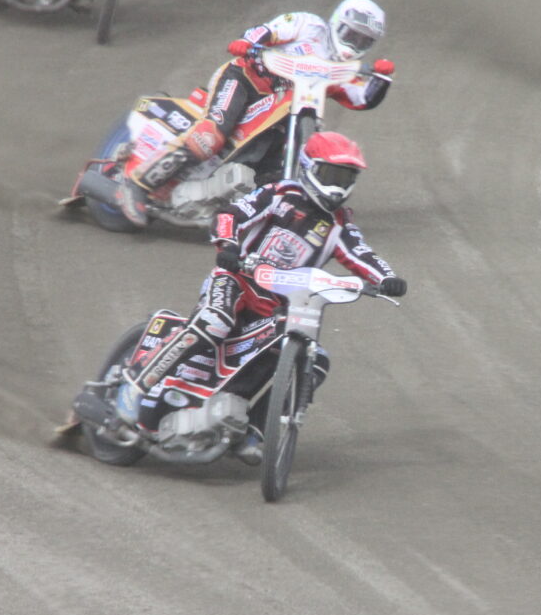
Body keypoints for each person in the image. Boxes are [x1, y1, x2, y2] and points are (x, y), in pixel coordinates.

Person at [125, 132, 408, 462]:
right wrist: (229, 246)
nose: (337, 186)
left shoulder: (340, 225)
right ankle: (136, 386)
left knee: (314, 359)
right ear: (309, 168)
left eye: (346, 178)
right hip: (237, 280)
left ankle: (256, 433)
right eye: (332, 174)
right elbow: (231, 214)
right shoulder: (280, 194)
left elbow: (362, 254)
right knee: (215, 322)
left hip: (279, 307)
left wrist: (386, 278)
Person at [114, 0, 394, 227]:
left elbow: (362, 99)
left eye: (364, 41)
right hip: (245, 80)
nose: (354, 45)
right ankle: (138, 183)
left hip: (290, 109)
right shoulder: (309, 25)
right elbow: (267, 30)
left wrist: (382, 79)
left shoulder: (342, 70)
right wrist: (248, 43)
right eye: (351, 35)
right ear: (336, 23)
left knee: (272, 168)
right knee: (211, 136)